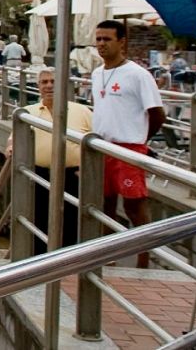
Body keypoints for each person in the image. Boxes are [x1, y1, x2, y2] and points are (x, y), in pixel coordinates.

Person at [90, 20, 165, 268]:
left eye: (107, 39)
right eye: (98, 39)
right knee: (104, 208)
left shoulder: (138, 75)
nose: (101, 44)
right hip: (102, 149)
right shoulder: (96, 73)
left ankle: (143, 263)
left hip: (129, 150)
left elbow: (156, 114)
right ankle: (106, 260)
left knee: (135, 208)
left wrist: (140, 140)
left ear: (122, 41)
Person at [18, 67, 93, 253]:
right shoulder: (28, 111)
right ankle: (40, 262)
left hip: (73, 175)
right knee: (39, 219)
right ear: (38, 87)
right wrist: (10, 148)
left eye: (53, 81)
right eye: (44, 82)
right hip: (39, 174)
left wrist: (88, 167)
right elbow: (15, 139)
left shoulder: (82, 111)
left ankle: (66, 264)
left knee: (71, 221)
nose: (49, 86)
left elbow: (97, 142)